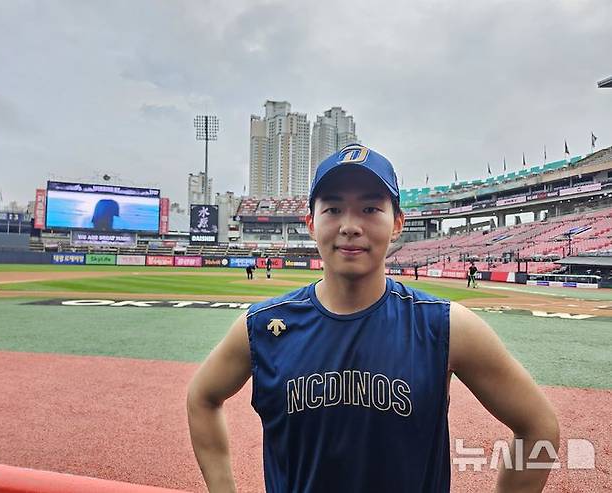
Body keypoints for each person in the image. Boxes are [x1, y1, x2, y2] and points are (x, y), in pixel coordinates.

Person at [187, 144, 559, 492]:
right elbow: (202, 396)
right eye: (333, 209)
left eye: (370, 209)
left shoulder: (445, 327)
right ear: (311, 223)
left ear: (397, 223)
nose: (350, 225)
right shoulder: (263, 328)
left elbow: (539, 427)